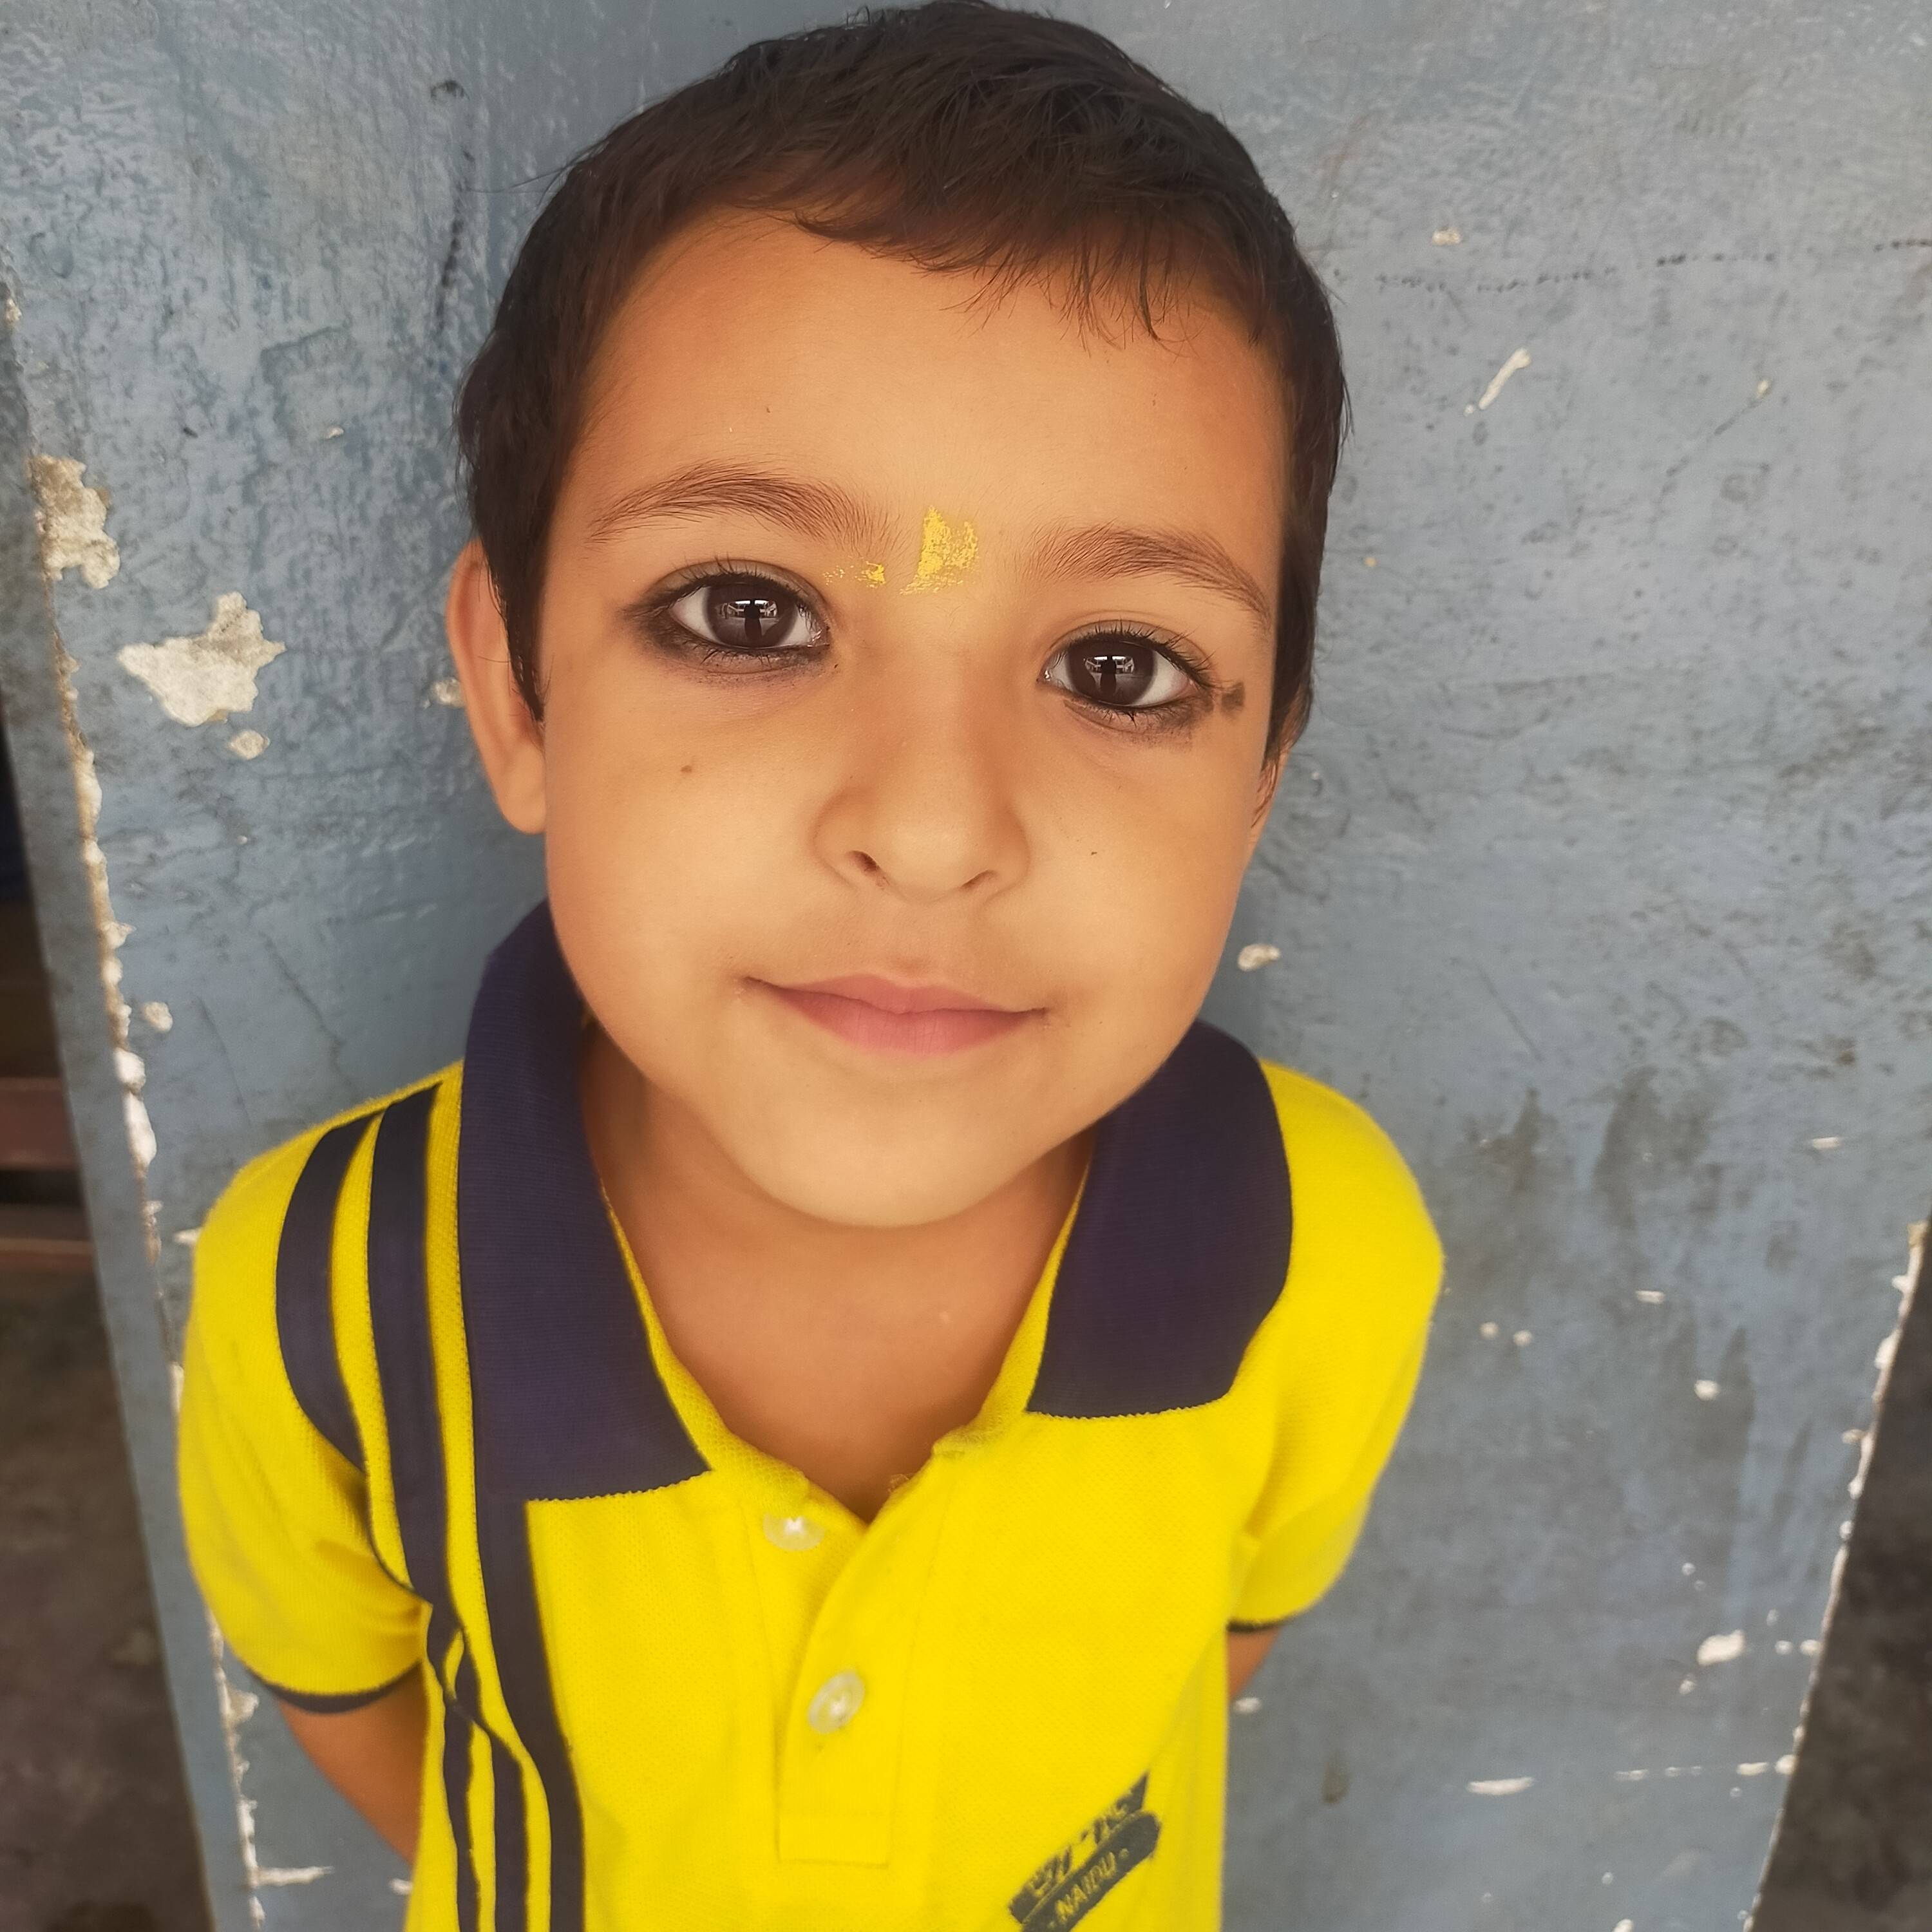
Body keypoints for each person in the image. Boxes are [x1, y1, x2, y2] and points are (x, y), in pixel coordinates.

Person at [175, 4, 1444, 1925]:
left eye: (1120, 666)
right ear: (517, 691)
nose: (930, 830)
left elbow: (1218, 1639)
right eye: (745, 612)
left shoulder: (1319, 1253)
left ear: (1259, 774)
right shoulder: (321, 1294)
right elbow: (344, 1688)